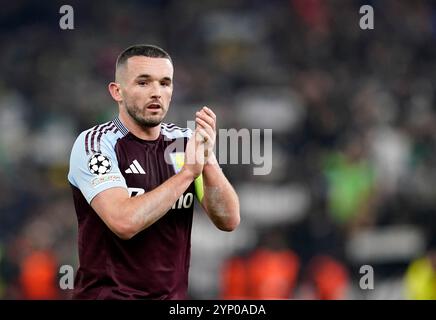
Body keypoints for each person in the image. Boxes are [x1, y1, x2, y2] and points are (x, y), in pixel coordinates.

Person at [67, 44, 240, 299]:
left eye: (165, 83)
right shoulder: (95, 144)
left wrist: (208, 160)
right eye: (143, 83)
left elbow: (228, 220)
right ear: (117, 91)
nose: (157, 93)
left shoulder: (184, 142)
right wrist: (186, 175)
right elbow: (123, 222)